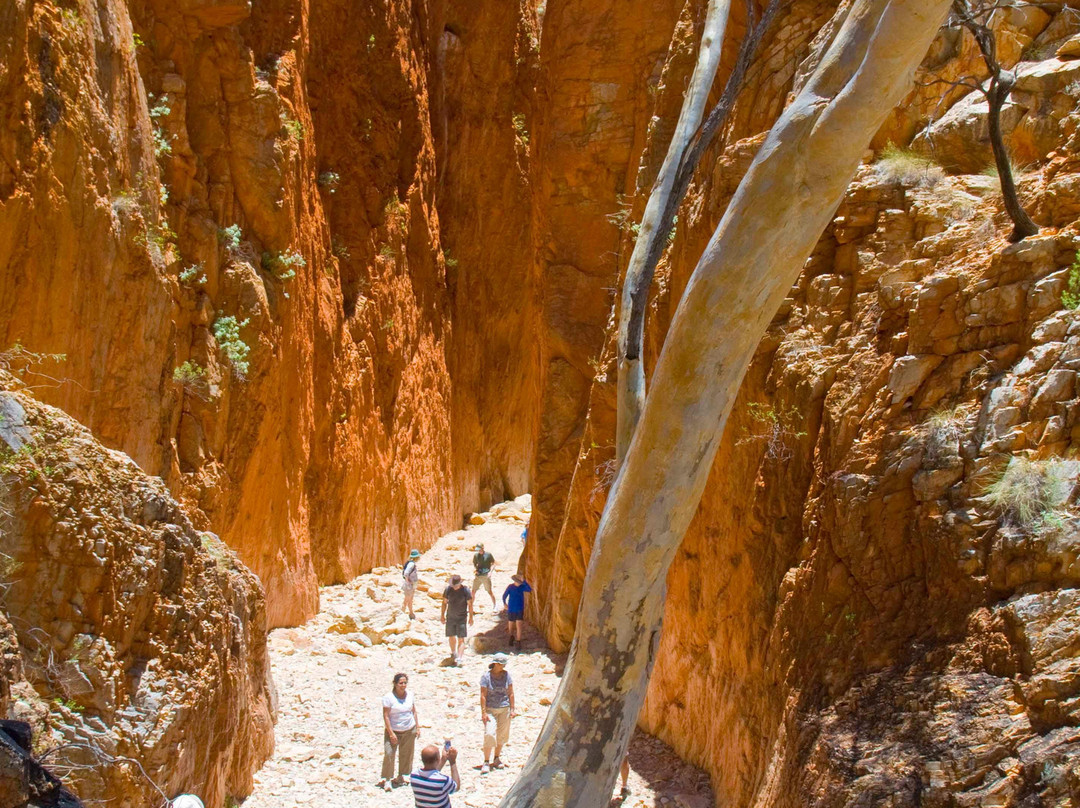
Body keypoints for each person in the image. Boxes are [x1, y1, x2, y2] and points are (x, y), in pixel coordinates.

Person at [380, 672, 420, 791]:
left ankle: (401, 776)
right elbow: (386, 716)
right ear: (395, 684)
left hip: (409, 729)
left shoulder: (410, 695)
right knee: (389, 754)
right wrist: (391, 733)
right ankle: (387, 779)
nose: (403, 685)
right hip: (393, 730)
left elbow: (413, 711)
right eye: (400, 683)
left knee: (406, 754)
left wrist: (417, 727)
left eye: (405, 683)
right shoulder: (388, 698)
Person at [479, 652, 514, 773]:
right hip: (491, 709)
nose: (502, 667)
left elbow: (510, 692)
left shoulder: (507, 675)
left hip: (505, 708)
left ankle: (497, 758)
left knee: (502, 735)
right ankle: (486, 761)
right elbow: (483, 695)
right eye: (500, 664)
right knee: (489, 733)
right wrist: (483, 712)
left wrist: (513, 709)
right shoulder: (486, 677)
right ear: (495, 664)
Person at [410, 743, 460, 808]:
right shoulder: (443, 780)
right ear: (437, 759)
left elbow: (431, 774)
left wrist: (443, 759)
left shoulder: (414, 776)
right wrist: (453, 762)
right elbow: (456, 787)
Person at [440, 574, 474, 664]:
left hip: (461, 618)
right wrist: (442, 615)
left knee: (461, 638)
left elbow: (470, 605)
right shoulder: (448, 590)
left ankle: (460, 657)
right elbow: (444, 603)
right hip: (450, 617)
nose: (454, 587)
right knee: (451, 636)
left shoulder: (465, 591)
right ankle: (453, 653)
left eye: (456, 585)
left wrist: (471, 617)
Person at [501, 574, 532, 647]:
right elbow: (504, 596)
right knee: (511, 625)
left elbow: (529, 589)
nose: (519, 583)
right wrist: (504, 604)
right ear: (515, 581)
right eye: (518, 581)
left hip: (519, 609)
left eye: (519, 582)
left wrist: (524, 581)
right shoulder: (510, 587)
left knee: (519, 625)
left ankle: (518, 641)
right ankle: (511, 636)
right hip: (511, 608)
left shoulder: (522, 587)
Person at [471, 543, 497, 610]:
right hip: (478, 576)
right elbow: (474, 564)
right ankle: (470, 607)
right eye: (478, 550)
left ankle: (495, 606)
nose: (479, 551)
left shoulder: (488, 555)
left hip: (486, 576)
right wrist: (475, 570)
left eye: (479, 549)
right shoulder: (476, 555)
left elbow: (493, 563)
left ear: (483, 548)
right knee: (473, 591)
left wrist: (490, 572)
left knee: (489, 592)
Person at [402, 549, 420, 620]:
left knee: (410, 599)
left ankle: (411, 613)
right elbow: (406, 573)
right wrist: (408, 582)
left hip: (412, 584)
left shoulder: (411, 563)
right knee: (406, 600)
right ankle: (401, 613)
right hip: (409, 585)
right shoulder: (411, 564)